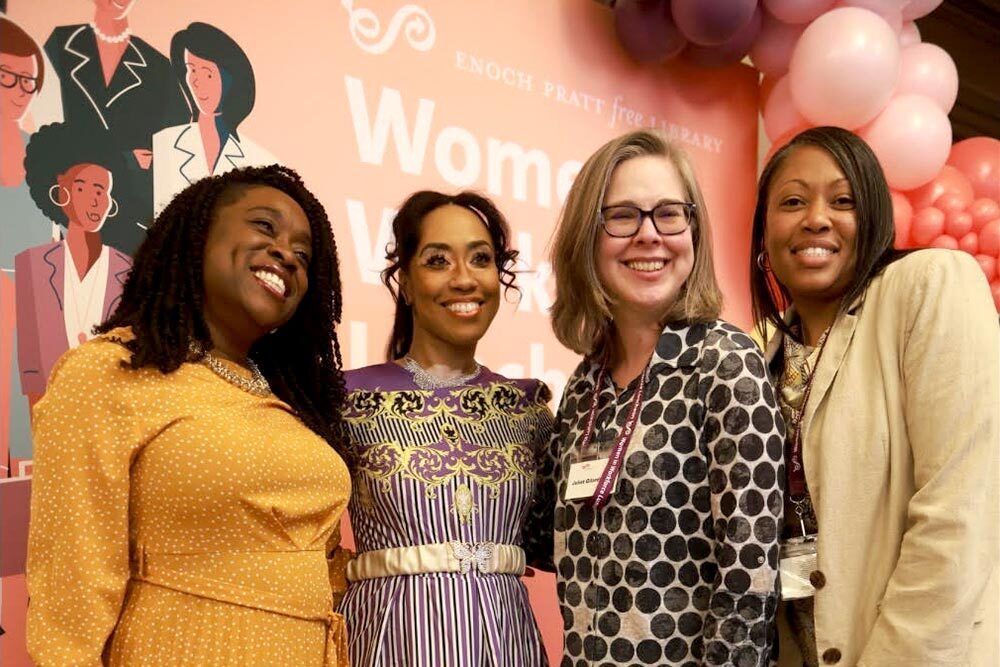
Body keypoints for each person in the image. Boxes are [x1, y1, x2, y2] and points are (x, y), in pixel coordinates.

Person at [26, 165, 352, 666]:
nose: (286, 253)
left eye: (304, 255)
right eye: (264, 227)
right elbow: (72, 585)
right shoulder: (108, 372)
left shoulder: (292, 404)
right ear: (197, 235)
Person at [530, 129, 785, 666]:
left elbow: (750, 574)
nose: (649, 235)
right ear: (587, 236)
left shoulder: (725, 361)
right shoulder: (586, 383)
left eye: (669, 213)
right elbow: (550, 542)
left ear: (693, 230)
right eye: (622, 215)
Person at [749, 126, 999, 666]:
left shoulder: (931, 285)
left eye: (843, 201)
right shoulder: (757, 354)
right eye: (792, 201)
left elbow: (959, 512)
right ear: (763, 234)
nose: (816, 217)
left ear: (876, 222)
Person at [338, 191, 553, 666]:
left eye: (481, 259)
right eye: (438, 260)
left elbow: (562, 546)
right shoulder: (346, 398)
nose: (464, 279)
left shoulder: (528, 408)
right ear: (407, 284)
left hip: (506, 644)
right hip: (389, 640)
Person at [44, 0, 189, 253]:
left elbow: (169, 158)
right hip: (66, 213)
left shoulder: (158, 68)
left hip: (128, 226)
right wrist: (126, 160)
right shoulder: (59, 46)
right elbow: (44, 141)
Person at [16, 122, 131, 410]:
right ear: (60, 193)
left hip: (106, 413)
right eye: (83, 187)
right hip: (51, 415)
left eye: (101, 190)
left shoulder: (126, 269)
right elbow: (31, 368)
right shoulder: (32, 265)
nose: (94, 199)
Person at [0, 16, 56, 475]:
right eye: (8, 78)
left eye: (29, 83)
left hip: (33, 304)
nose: (20, 91)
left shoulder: (39, 151)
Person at [153, 22, 276, 216]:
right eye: (191, 70)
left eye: (208, 73)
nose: (196, 81)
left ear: (231, 80)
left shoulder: (260, 162)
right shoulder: (163, 143)